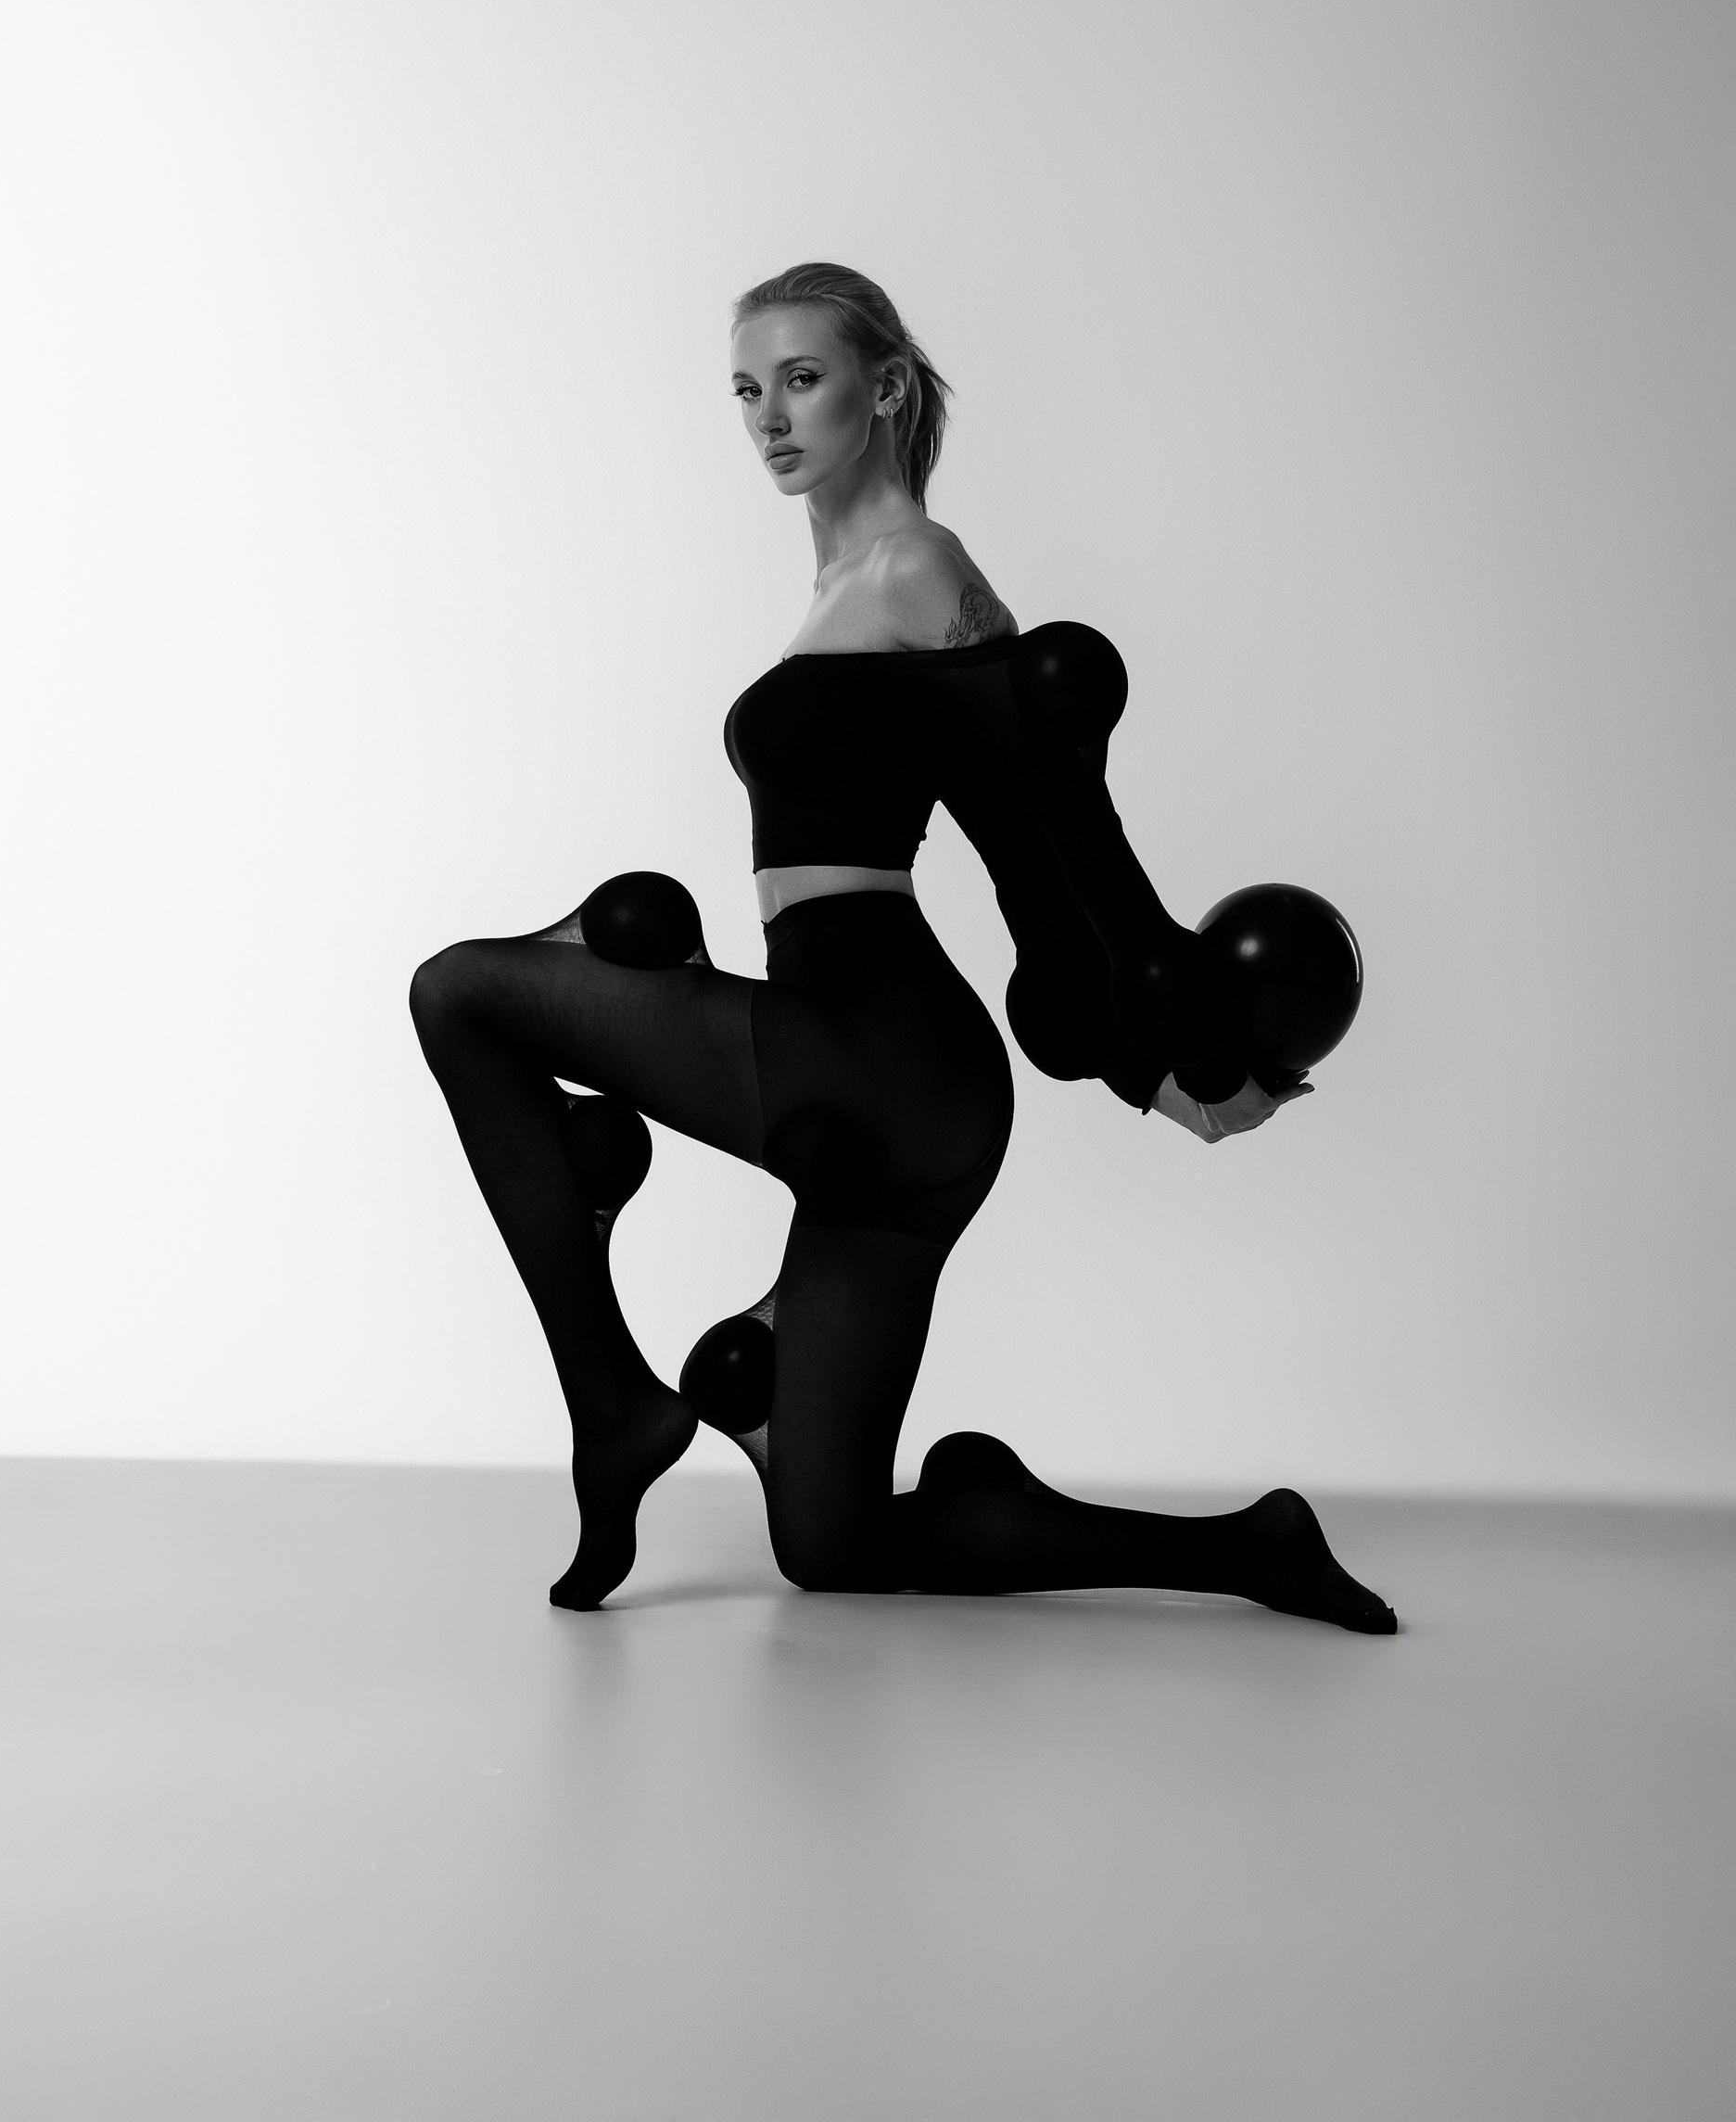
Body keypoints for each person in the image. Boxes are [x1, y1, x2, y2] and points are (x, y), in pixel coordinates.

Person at [410, 262, 1395, 1633]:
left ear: (882, 389)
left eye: (801, 380)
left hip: (875, 1049)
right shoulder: (843, 585)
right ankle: (1253, 1551)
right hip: (891, 1095)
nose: (769, 418)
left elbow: (1040, 828)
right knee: (835, 1540)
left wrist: (1159, 1067)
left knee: (463, 995)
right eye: (746, 391)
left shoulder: (916, 570)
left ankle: (615, 1409)